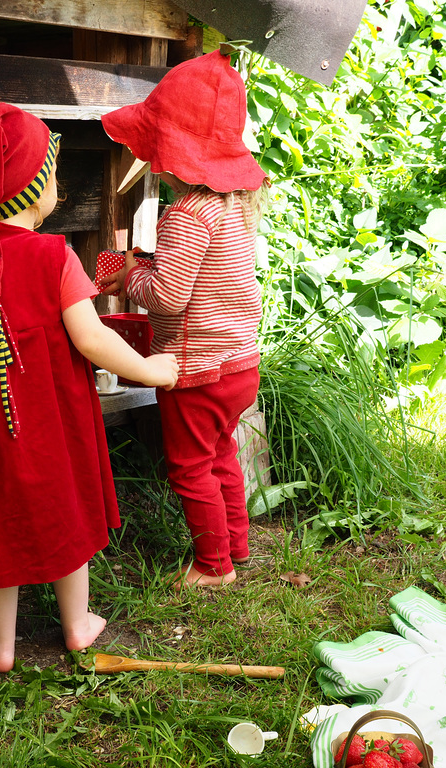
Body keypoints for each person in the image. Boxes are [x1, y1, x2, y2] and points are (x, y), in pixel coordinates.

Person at [0, 102, 179, 673]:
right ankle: (77, 625)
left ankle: (0, 647)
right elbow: (91, 340)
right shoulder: (54, 255)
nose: (57, 189)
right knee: (64, 511)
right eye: (53, 176)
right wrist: (151, 368)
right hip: (48, 424)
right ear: (31, 184)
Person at [99, 50, 268, 589]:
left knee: (191, 467)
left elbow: (169, 298)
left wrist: (131, 278)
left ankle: (212, 567)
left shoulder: (187, 213)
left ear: (172, 152)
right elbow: (203, 278)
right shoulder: (233, 206)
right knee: (223, 455)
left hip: (196, 369)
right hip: (241, 363)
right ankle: (236, 546)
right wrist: (150, 264)